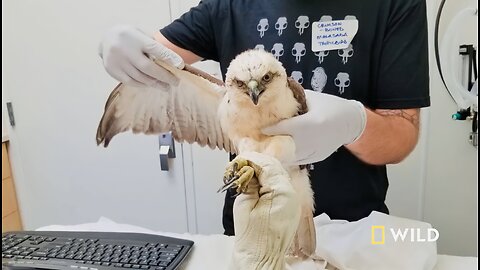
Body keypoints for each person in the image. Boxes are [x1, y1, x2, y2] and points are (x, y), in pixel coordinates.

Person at [99, 0, 430, 237]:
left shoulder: (396, 4)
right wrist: (122, 46)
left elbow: (401, 136)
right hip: (251, 223)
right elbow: (154, 65)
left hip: (356, 233)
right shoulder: (227, 5)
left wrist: (353, 124)